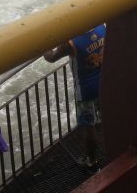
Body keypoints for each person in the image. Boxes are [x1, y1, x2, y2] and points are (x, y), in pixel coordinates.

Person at [44, 23, 106, 170]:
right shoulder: (101, 27)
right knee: (104, 119)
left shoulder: (71, 42)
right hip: (103, 82)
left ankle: (92, 161)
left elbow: (51, 57)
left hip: (84, 90)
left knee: (88, 126)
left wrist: (41, 45)